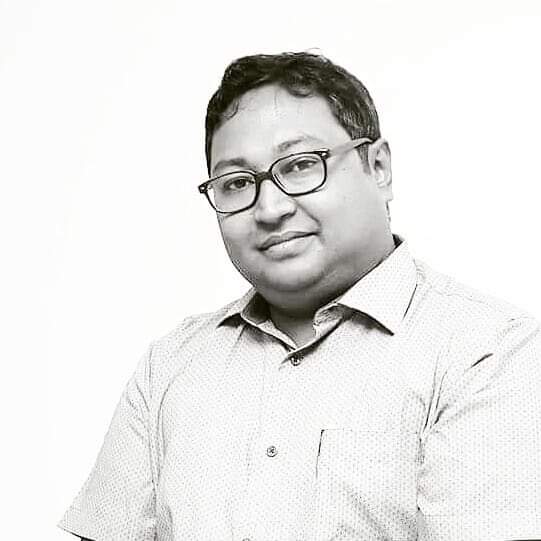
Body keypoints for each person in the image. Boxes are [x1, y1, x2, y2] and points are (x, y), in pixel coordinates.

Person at [58, 52, 541, 540]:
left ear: (378, 167)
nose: (270, 209)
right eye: (237, 183)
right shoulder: (168, 367)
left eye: (302, 165)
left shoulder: (489, 352)